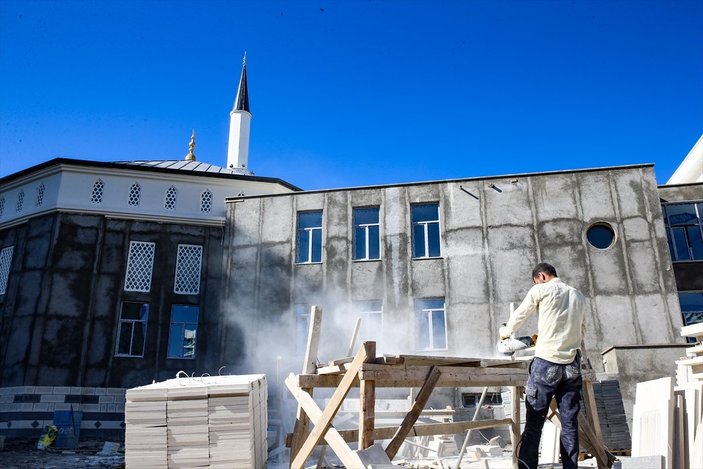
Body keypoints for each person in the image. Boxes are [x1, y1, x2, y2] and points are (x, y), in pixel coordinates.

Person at [499, 262, 586, 469]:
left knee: (534, 423)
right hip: (572, 364)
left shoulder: (541, 289)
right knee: (569, 424)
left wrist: (504, 333)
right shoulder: (577, 294)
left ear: (541, 277)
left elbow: (521, 314)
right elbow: (582, 328)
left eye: (536, 280)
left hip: (547, 362)